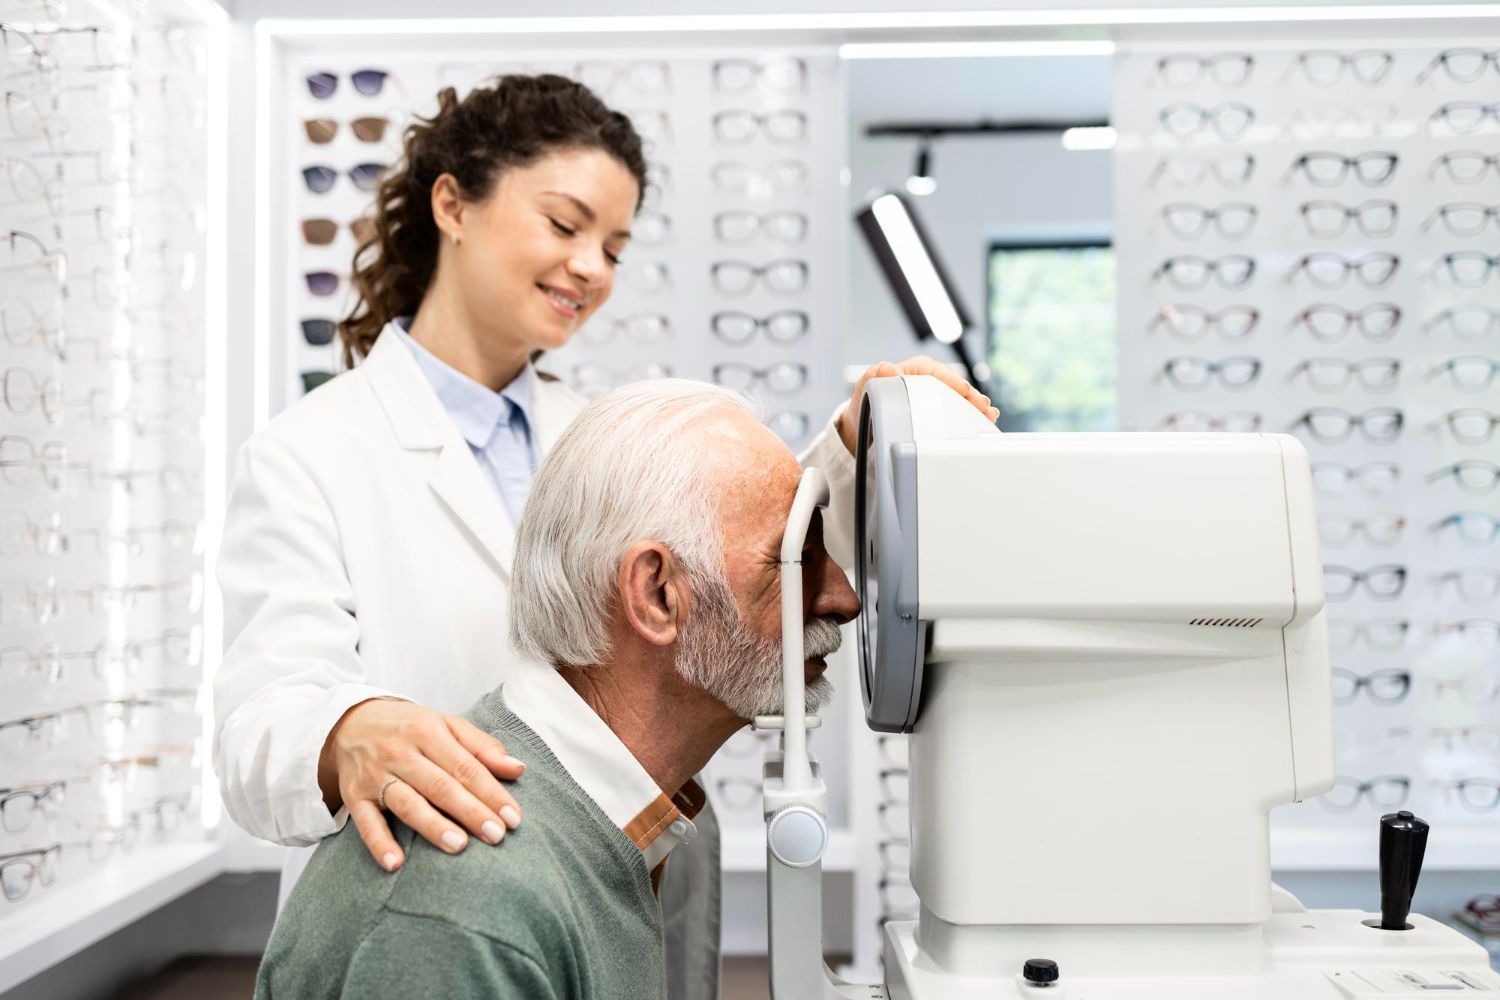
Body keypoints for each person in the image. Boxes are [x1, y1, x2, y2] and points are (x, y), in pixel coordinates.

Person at [214, 73, 996, 1000]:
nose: (591, 267)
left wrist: (850, 441)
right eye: (565, 224)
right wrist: (347, 730)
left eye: (615, 246)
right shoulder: (313, 451)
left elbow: (731, 557)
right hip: (454, 904)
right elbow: (260, 719)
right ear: (453, 204)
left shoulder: (588, 429)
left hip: (619, 865)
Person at [255, 379, 860, 1000]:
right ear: (655, 596)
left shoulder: (612, 833)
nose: (847, 600)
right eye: (799, 557)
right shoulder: (466, 913)